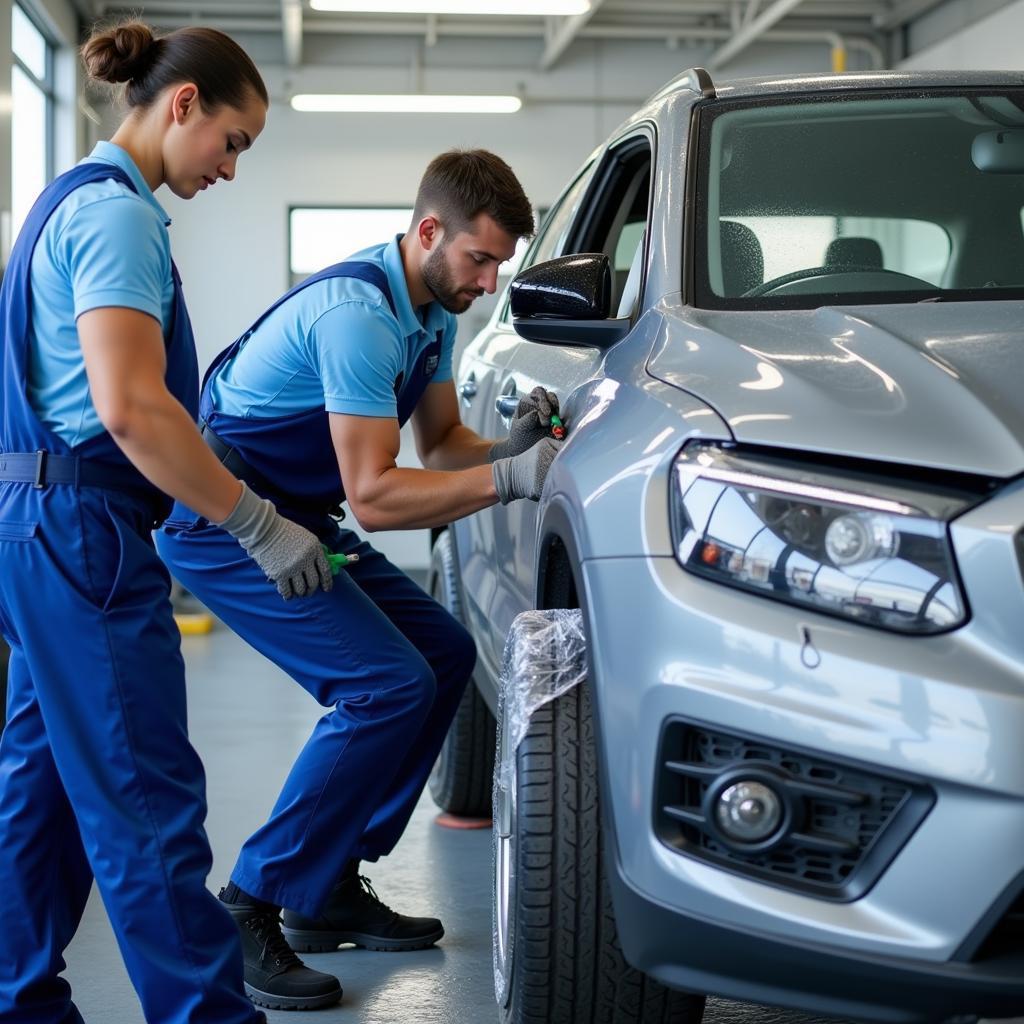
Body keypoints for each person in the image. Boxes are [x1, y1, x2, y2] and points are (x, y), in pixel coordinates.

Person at [155, 149, 561, 1009]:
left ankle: (327, 882)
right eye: (479, 259)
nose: (488, 282)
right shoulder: (358, 315)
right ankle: (252, 901)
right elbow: (375, 498)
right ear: (427, 233)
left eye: (499, 263)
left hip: (300, 514)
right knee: (383, 687)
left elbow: (442, 446)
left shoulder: (428, 314)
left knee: (444, 654)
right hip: (228, 520)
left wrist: (509, 447)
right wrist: (510, 482)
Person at [0, 21, 341, 1023]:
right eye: (232, 141)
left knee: (44, 786)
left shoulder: (60, 201)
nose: (232, 168)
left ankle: (18, 999)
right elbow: (132, 407)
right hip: (84, 532)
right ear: (182, 104)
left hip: (32, 519)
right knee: (144, 801)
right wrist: (259, 524)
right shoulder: (117, 219)